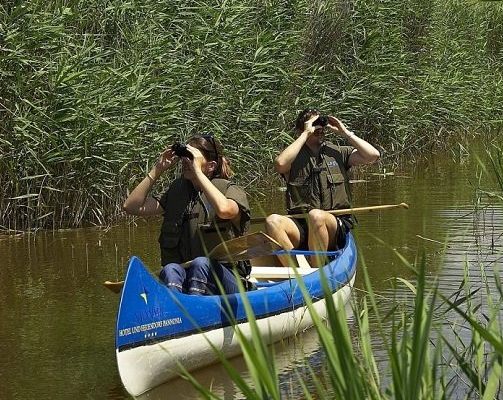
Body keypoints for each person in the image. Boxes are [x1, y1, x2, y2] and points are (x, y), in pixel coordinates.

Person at [122, 134, 251, 294]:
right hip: (187, 279)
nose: (186, 162)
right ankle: (176, 310)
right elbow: (131, 206)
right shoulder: (178, 192)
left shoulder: (229, 190)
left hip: (228, 283)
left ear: (211, 166)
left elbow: (225, 211)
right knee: (170, 269)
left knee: (201, 264)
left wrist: (199, 173)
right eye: (185, 157)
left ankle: (194, 311)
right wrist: (158, 169)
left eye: (192, 158)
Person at [264, 109, 380, 264]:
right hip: (301, 223)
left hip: (333, 224)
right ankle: (295, 273)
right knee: (272, 221)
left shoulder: (337, 152)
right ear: (301, 130)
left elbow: (372, 155)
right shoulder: (294, 157)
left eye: (320, 125)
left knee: (316, 216)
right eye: (313, 125)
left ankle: (317, 270)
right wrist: (305, 134)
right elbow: (280, 164)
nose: (319, 129)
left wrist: (345, 132)